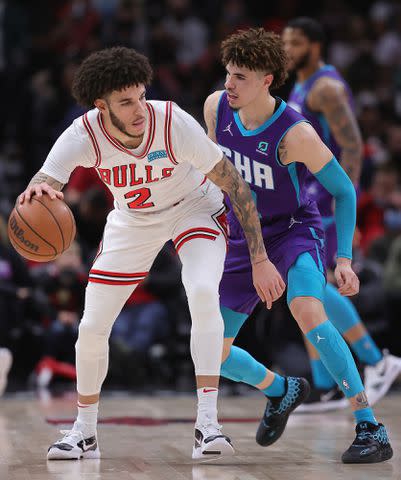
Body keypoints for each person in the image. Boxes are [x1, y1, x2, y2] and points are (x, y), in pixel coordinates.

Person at [17, 46, 279, 461]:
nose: (139, 108)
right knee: (92, 325)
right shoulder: (84, 133)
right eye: (126, 102)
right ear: (101, 106)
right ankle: (84, 431)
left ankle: (208, 426)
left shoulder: (174, 123)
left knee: (201, 292)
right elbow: (45, 178)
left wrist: (260, 258)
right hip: (134, 219)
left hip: (195, 208)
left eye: (141, 96)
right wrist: (38, 190)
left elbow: (236, 185)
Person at [204, 28, 392, 463]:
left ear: (268, 79)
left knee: (307, 308)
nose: (229, 84)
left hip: (292, 230)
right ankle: (281, 389)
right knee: (210, 347)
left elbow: (344, 191)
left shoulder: (296, 133)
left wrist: (343, 259)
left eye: (242, 77)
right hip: (242, 234)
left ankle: (370, 426)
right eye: (228, 73)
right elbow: (215, 175)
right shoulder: (216, 108)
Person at [282, 17, 401, 411]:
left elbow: (352, 146)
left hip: (326, 201)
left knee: (318, 287)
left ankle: (375, 359)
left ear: (315, 46)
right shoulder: (301, 84)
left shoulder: (327, 88)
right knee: (305, 290)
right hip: (308, 199)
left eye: (295, 42)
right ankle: (325, 385)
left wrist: (340, 198)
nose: (287, 49)